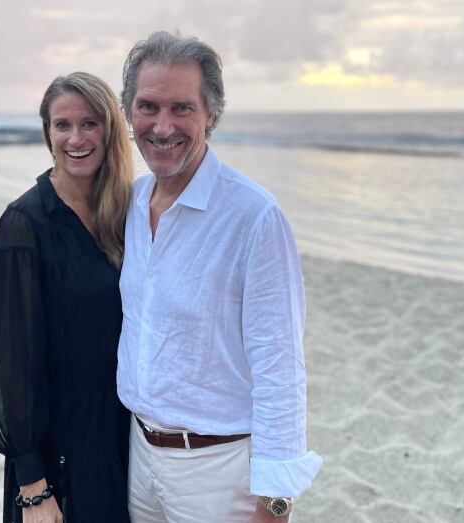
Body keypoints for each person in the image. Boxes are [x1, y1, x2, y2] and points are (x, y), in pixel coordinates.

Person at [116, 31, 322, 522]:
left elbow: (280, 366)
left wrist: (275, 500)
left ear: (211, 115)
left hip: (217, 470)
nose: (163, 126)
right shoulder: (129, 202)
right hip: (136, 453)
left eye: (182, 108)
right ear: (129, 114)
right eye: (148, 106)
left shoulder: (254, 217)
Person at [0, 72, 134, 523]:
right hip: (59, 463)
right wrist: (33, 487)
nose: (76, 137)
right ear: (47, 133)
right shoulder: (23, 227)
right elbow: (9, 367)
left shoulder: (125, 213)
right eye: (62, 124)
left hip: (122, 443)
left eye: (89, 123)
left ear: (109, 129)